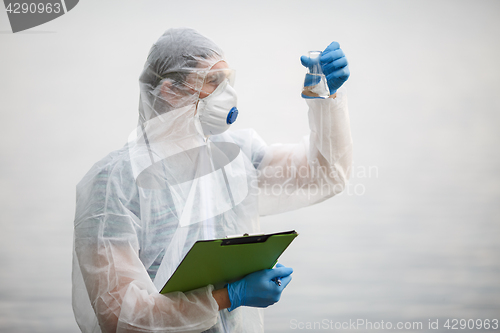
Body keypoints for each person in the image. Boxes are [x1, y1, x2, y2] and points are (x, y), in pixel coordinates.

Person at [72, 28, 352, 333]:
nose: (227, 93)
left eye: (227, 81)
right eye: (212, 82)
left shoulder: (233, 158)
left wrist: (325, 97)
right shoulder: (113, 182)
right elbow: (120, 317)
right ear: (169, 90)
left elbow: (325, 175)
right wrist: (229, 296)